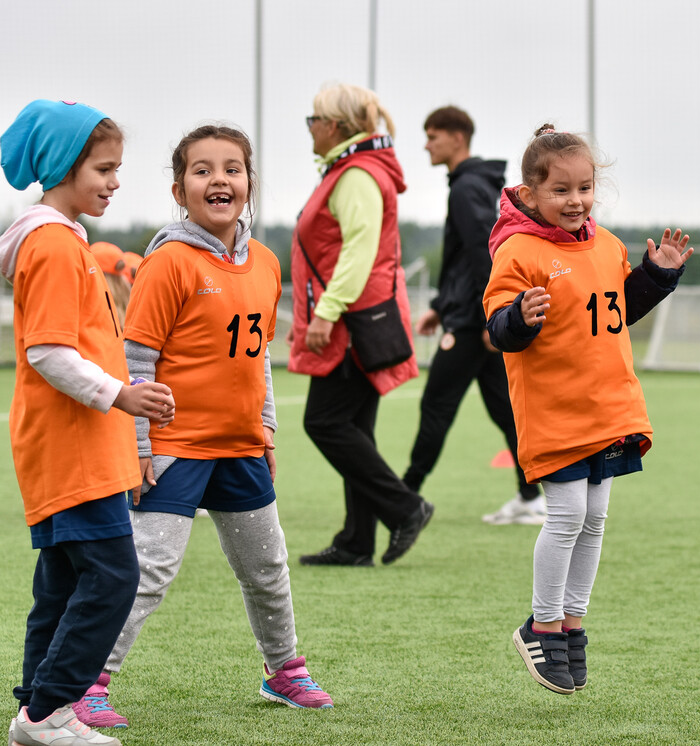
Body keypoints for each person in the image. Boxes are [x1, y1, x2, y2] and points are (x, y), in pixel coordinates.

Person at [73, 124, 334, 729]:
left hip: (241, 449)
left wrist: (266, 430)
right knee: (147, 574)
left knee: (267, 569)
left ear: (249, 183)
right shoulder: (168, 263)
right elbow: (136, 362)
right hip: (174, 448)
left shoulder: (266, 264)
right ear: (179, 188)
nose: (219, 179)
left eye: (232, 169)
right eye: (202, 170)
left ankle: (283, 671)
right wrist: (138, 447)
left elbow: (259, 357)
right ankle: (89, 680)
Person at [483, 124, 692, 694]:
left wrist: (658, 276)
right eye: (561, 191)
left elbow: (617, 309)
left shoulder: (607, 245)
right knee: (567, 514)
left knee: (595, 518)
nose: (576, 201)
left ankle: (572, 623)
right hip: (557, 410)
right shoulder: (519, 250)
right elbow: (498, 327)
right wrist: (517, 318)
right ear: (528, 195)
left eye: (585, 188)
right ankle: (541, 622)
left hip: (610, 403)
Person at [0, 100, 174, 746]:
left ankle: (38, 713)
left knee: (64, 584)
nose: (115, 181)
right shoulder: (49, 243)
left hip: (77, 448)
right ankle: (49, 711)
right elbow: (48, 351)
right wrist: (121, 396)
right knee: (113, 575)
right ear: (63, 167)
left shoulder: (62, 239)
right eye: (103, 168)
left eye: (117, 168)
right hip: (69, 449)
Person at [291, 83, 433, 568]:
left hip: (351, 322)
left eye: (313, 119)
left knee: (324, 422)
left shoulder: (356, 175)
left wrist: (327, 312)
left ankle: (405, 508)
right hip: (359, 316)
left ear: (336, 127)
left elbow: (359, 249)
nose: (309, 128)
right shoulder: (351, 170)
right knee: (353, 427)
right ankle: (356, 541)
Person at [402, 105, 543, 524]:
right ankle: (531, 497)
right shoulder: (475, 184)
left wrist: (490, 318)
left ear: (457, 138)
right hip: (469, 316)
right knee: (506, 410)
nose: (427, 144)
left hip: (472, 325)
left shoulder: (465, 189)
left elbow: (488, 253)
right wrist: (439, 306)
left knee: (435, 407)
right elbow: (465, 260)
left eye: (433, 136)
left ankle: (402, 499)